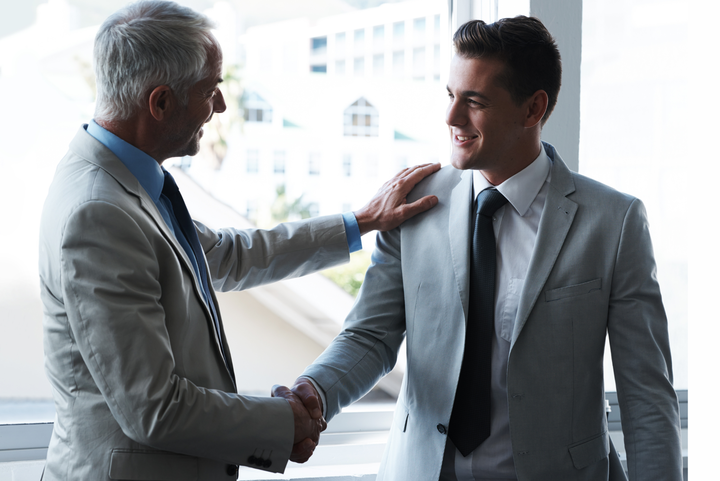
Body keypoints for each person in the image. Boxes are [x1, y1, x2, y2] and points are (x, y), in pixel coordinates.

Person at [37, 1, 439, 479]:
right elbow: (154, 409)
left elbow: (226, 255)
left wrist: (362, 221)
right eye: (210, 90)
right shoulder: (99, 213)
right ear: (160, 102)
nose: (221, 106)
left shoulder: (126, 179)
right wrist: (283, 423)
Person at [289, 16, 683, 481]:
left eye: (474, 102)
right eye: (451, 96)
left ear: (533, 109)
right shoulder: (413, 204)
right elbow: (370, 337)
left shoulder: (613, 223)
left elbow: (647, 395)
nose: (452, 118)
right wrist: (315, 390)